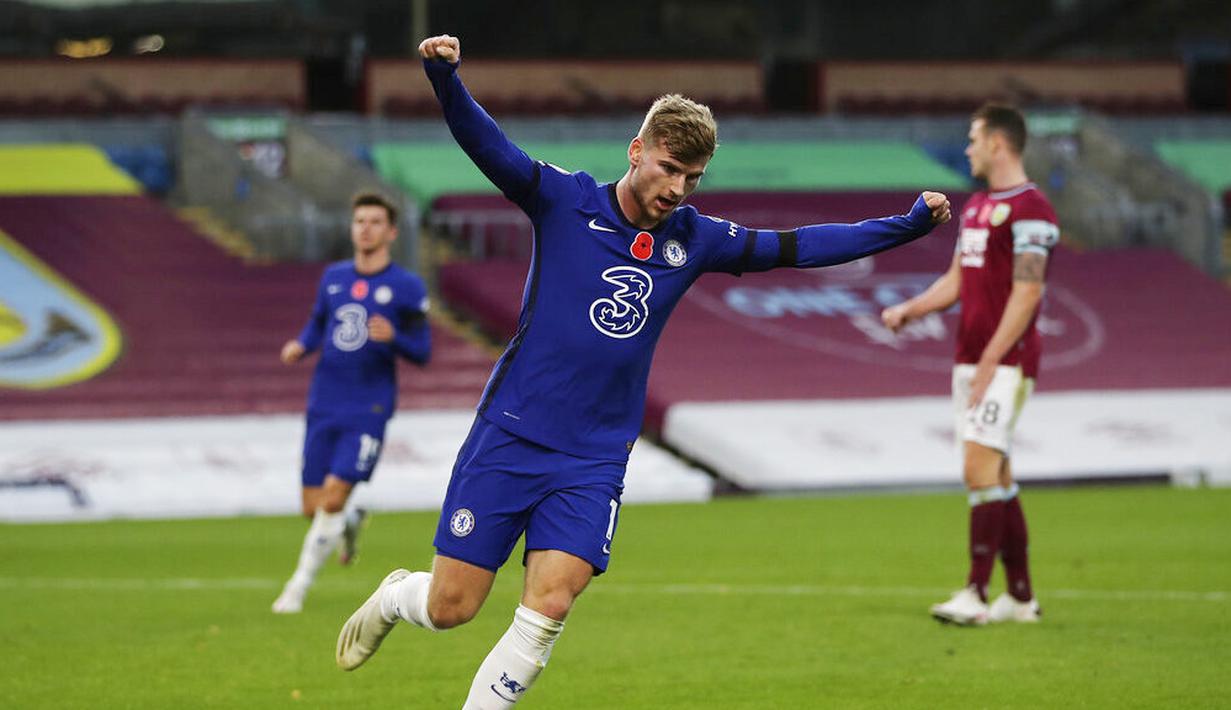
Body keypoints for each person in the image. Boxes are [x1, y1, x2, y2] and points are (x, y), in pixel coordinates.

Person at [335, 34, 951, 707]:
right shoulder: (564, 201)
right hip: (512, 431)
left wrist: (906, 226)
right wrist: (444, 79)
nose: (678, 189)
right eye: (669, 168)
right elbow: (490, 147)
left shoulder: (696, 238)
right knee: (452, 606)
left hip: (594, 455)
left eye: (694, 177)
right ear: (637, 151)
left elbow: (798, 247)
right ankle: (396, 596)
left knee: (550, 605)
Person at [881, 103, 1058, 626]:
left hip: (1005, 360)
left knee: (978, 468)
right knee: (998, 473)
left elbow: (1028, 292)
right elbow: (958, 280)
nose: (968, 148)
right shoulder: (978, 206)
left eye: (974, 139)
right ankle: (1020, 599)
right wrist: (910, 310)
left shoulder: (1033, 209)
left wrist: (992, 360)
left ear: (998, 143)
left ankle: (976, 594)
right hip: (971, 357)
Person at [271, 192, 432, 614]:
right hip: (324, 401)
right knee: (313, 507)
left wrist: (394, 338)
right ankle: (351, 519)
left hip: (369, 408)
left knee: (332, 497)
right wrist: (300, 345)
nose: (366, 228)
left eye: (375, 222)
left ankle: (296, 588)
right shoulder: (334, 277)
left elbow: (423, 351)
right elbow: (317, 324)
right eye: (360, 221)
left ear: (391, 232)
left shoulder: (407, 286)